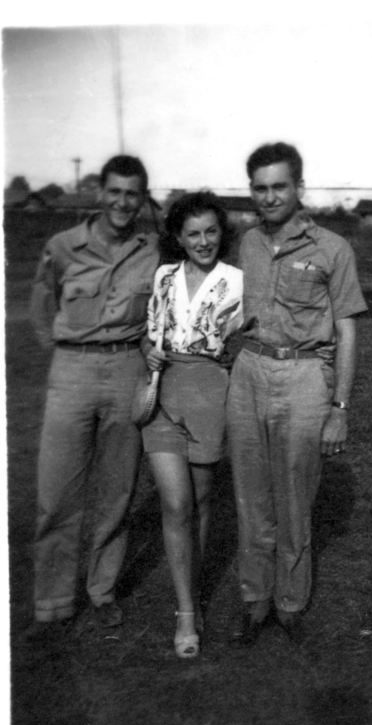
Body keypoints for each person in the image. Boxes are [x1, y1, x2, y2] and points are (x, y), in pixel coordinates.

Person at [227, 142, 367, 646]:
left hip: (306, 377)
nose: (269, 197)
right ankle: (254, 599)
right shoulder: (247, 244)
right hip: (248, 371)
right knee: (250, 498)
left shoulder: (332, 248)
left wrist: (340, 409)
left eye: (279, 186)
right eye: (260, 188)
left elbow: (348, 331)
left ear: (299, 188)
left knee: (294, 499)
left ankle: (290, 603)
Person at [27, 155, 159, 638]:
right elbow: (42, 306)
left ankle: (101, 592)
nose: (123, 202)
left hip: (127, 368)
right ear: (99, 192)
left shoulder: (151, 251)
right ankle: (53, 603)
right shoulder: (63, 246)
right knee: (56, 492)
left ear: (142, 199)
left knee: (117, 491)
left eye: (133, 194)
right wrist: (67, 349)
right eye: (115, 191)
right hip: (72, 372)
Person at [142, 191, 243, 658]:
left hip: (209, 394)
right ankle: (186, 612)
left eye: (210, 232)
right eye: (193, 234)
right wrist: (148, 350)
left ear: (221, 234)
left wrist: (233, 354)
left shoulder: (239, 282)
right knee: (177, 504)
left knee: (201, 503)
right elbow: (150, 332)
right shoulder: (164, 276)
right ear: (178, 238)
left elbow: (249, 338)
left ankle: (195, 592)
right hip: (164, 393)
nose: (203, 241)